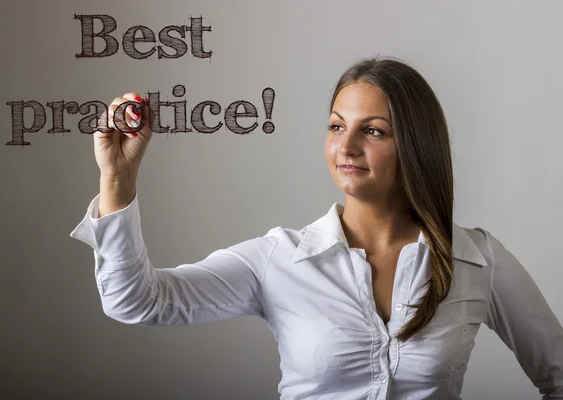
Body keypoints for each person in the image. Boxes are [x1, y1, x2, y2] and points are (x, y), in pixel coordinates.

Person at [70, 56, 563, 399]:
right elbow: (136, 302)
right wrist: (118, 177)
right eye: (335, 125)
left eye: (372, 130)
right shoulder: (277, 259)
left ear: (416, 145)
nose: (345, 146)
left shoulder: (477, 259)